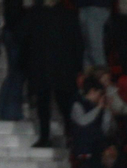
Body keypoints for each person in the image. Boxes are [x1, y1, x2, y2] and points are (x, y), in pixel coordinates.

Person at [21, 0, 84, 148]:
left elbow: (77, 43)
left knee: (64, 102)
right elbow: (26, 39)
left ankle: (69, 134)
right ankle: (46, 136)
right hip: (45, 65)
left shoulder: (67, 15)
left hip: (60, 66)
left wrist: (77, 68)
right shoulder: (35, 14)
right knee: (44, 102)